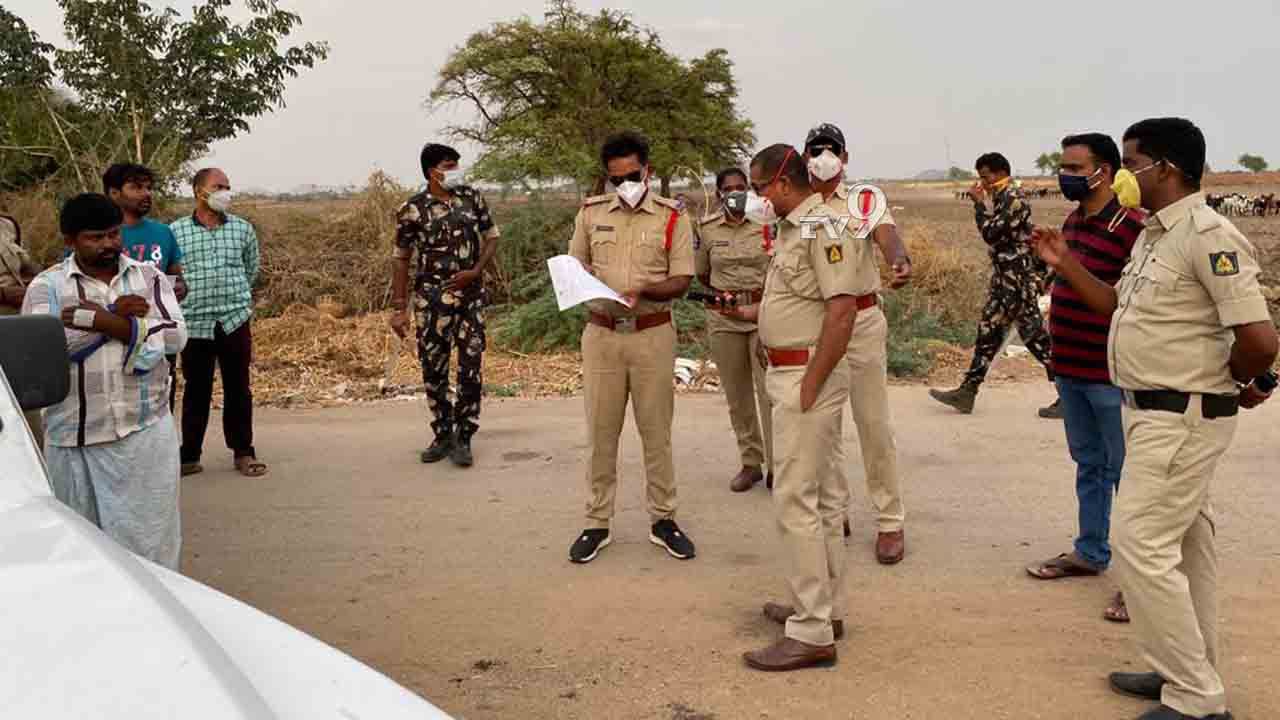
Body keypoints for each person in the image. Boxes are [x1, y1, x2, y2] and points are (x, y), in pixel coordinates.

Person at [1030, 117, 1278, 720]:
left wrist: (1243, 379)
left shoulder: (1206, 235)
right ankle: (1187, 669)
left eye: (1132, 162)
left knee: (1139, 544)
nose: (1124, 176)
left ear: (1163, 167)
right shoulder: (1156, 236)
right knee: (1189, 549)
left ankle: (1196, 699)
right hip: (1152, 412)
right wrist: (1066, 265)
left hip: (1183, 415)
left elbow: (1258, 337)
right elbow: (1119, 305)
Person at [725, 144, 869, 671]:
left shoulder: (823, 228)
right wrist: (757, 316)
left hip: (806, 376)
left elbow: (841, 311)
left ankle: (810, 632)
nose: (758, 199)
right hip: (792, 369)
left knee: (795, 499)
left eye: (761, 189)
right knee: (825, 495)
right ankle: (821, 610)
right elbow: (802, 301)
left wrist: (811, 382)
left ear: (783, 183)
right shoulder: (793, 230)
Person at [21, 193, 187, 568]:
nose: (108, 244)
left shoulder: (148, 277)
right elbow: (46, 351)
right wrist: (114, 318)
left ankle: (156, 622)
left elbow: (175, 337)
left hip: (143, 432)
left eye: (113, 235)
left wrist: (101, 321)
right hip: (75, 439)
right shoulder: (46, 288)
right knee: (84, 552)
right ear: (70, 241)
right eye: (95, 238)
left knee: (152, 546)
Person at [1024, 134, 1143, 626]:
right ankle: (1091, 551)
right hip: (1071, 369)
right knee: (1090, 465)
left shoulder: (1131, 227)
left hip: (1109, 373)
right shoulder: (1075, 221)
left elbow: (1125, 300)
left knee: (1131, 479)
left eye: (1075, 166)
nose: (1065, 175)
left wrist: (1065, 265)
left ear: (1106, 171)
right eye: (1062, 165)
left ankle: (1141, 586)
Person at [566, 131, 697, 564]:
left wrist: (647, 289)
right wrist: (580, 276)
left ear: (648, 171)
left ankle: (664, 520)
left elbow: (682, 278)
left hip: (652, 335)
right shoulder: (589, 214)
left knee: (656, 433)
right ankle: (596, 522)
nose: (625, 184)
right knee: (601, 435)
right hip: (602, 336)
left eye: (632, 174)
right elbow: (574, 267)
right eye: (615, 177)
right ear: (606, 177)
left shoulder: (672, 216)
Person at [804, 123, 912, 564]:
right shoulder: (800, 206)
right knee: (823, 424)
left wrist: (899, 260)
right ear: (804, 155)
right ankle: (837, 510)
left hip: (863, 319)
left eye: (832, 149)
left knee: (873, 423)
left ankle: (890, 521)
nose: (824, 156)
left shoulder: (863, 201)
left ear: (845, 158)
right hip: (817, 321)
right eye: (816, 149)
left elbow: (886, 235)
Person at [390, 144, 499, 468]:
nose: (455, 171)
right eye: (449, 166)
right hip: (431, 301)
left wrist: (477, 270)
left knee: (470, 367)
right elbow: (400, 258)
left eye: (456, 165)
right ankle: (442, 434)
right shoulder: (412, 209)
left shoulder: (471, 198)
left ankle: (464, 437)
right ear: (431, 171)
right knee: (433, 368)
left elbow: (492, 236)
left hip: (470, 298)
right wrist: (399, 308)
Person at [930, 152, 1056, 416]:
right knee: (988, 331)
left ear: (999, 173)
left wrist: (978, 206)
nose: (982, 183)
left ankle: (1070, 393)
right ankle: (968, 391)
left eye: (985, 177)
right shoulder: (1003, 196)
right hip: (1004, 279)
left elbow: (991, 234)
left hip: (1016, 279)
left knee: (1034, 336)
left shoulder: (1013, 198)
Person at [171, 168, 267, 478]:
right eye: (218, 186)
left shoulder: (242, 229)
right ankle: (189, 455)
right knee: (196, 389)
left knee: (238, 387)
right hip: (194, 321)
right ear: (199, 191)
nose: (226, 192)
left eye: (227, 186)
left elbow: (252, 269)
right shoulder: (175, 232)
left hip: (233, 319)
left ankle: (243, 452)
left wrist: (235, 297)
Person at [693, 167, 774, 493]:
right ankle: (750, 463)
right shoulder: (708, 230)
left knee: (769, 394)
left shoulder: (766, 225)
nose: (736, 193)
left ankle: (778, 466)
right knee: (737, 396)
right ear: (718, 194)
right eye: (729, 189)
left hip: (762, 315)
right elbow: (701, 273)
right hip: (724, 319)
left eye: (742, 187)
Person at [103, 162, 187, 412]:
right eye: (136, 187)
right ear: (114, 193)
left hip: (158, 334)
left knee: (160, 402)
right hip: (112, 334)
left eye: (149, 188)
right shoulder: (97, 236)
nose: (146, 193)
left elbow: (177, 277)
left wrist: (181, 288)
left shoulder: (163, 233)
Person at [1, 212, 45, 446]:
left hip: (14, 329)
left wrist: (35, 283)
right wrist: (2, 294)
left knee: (27, 406)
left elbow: (27, 269)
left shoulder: (7, 224)